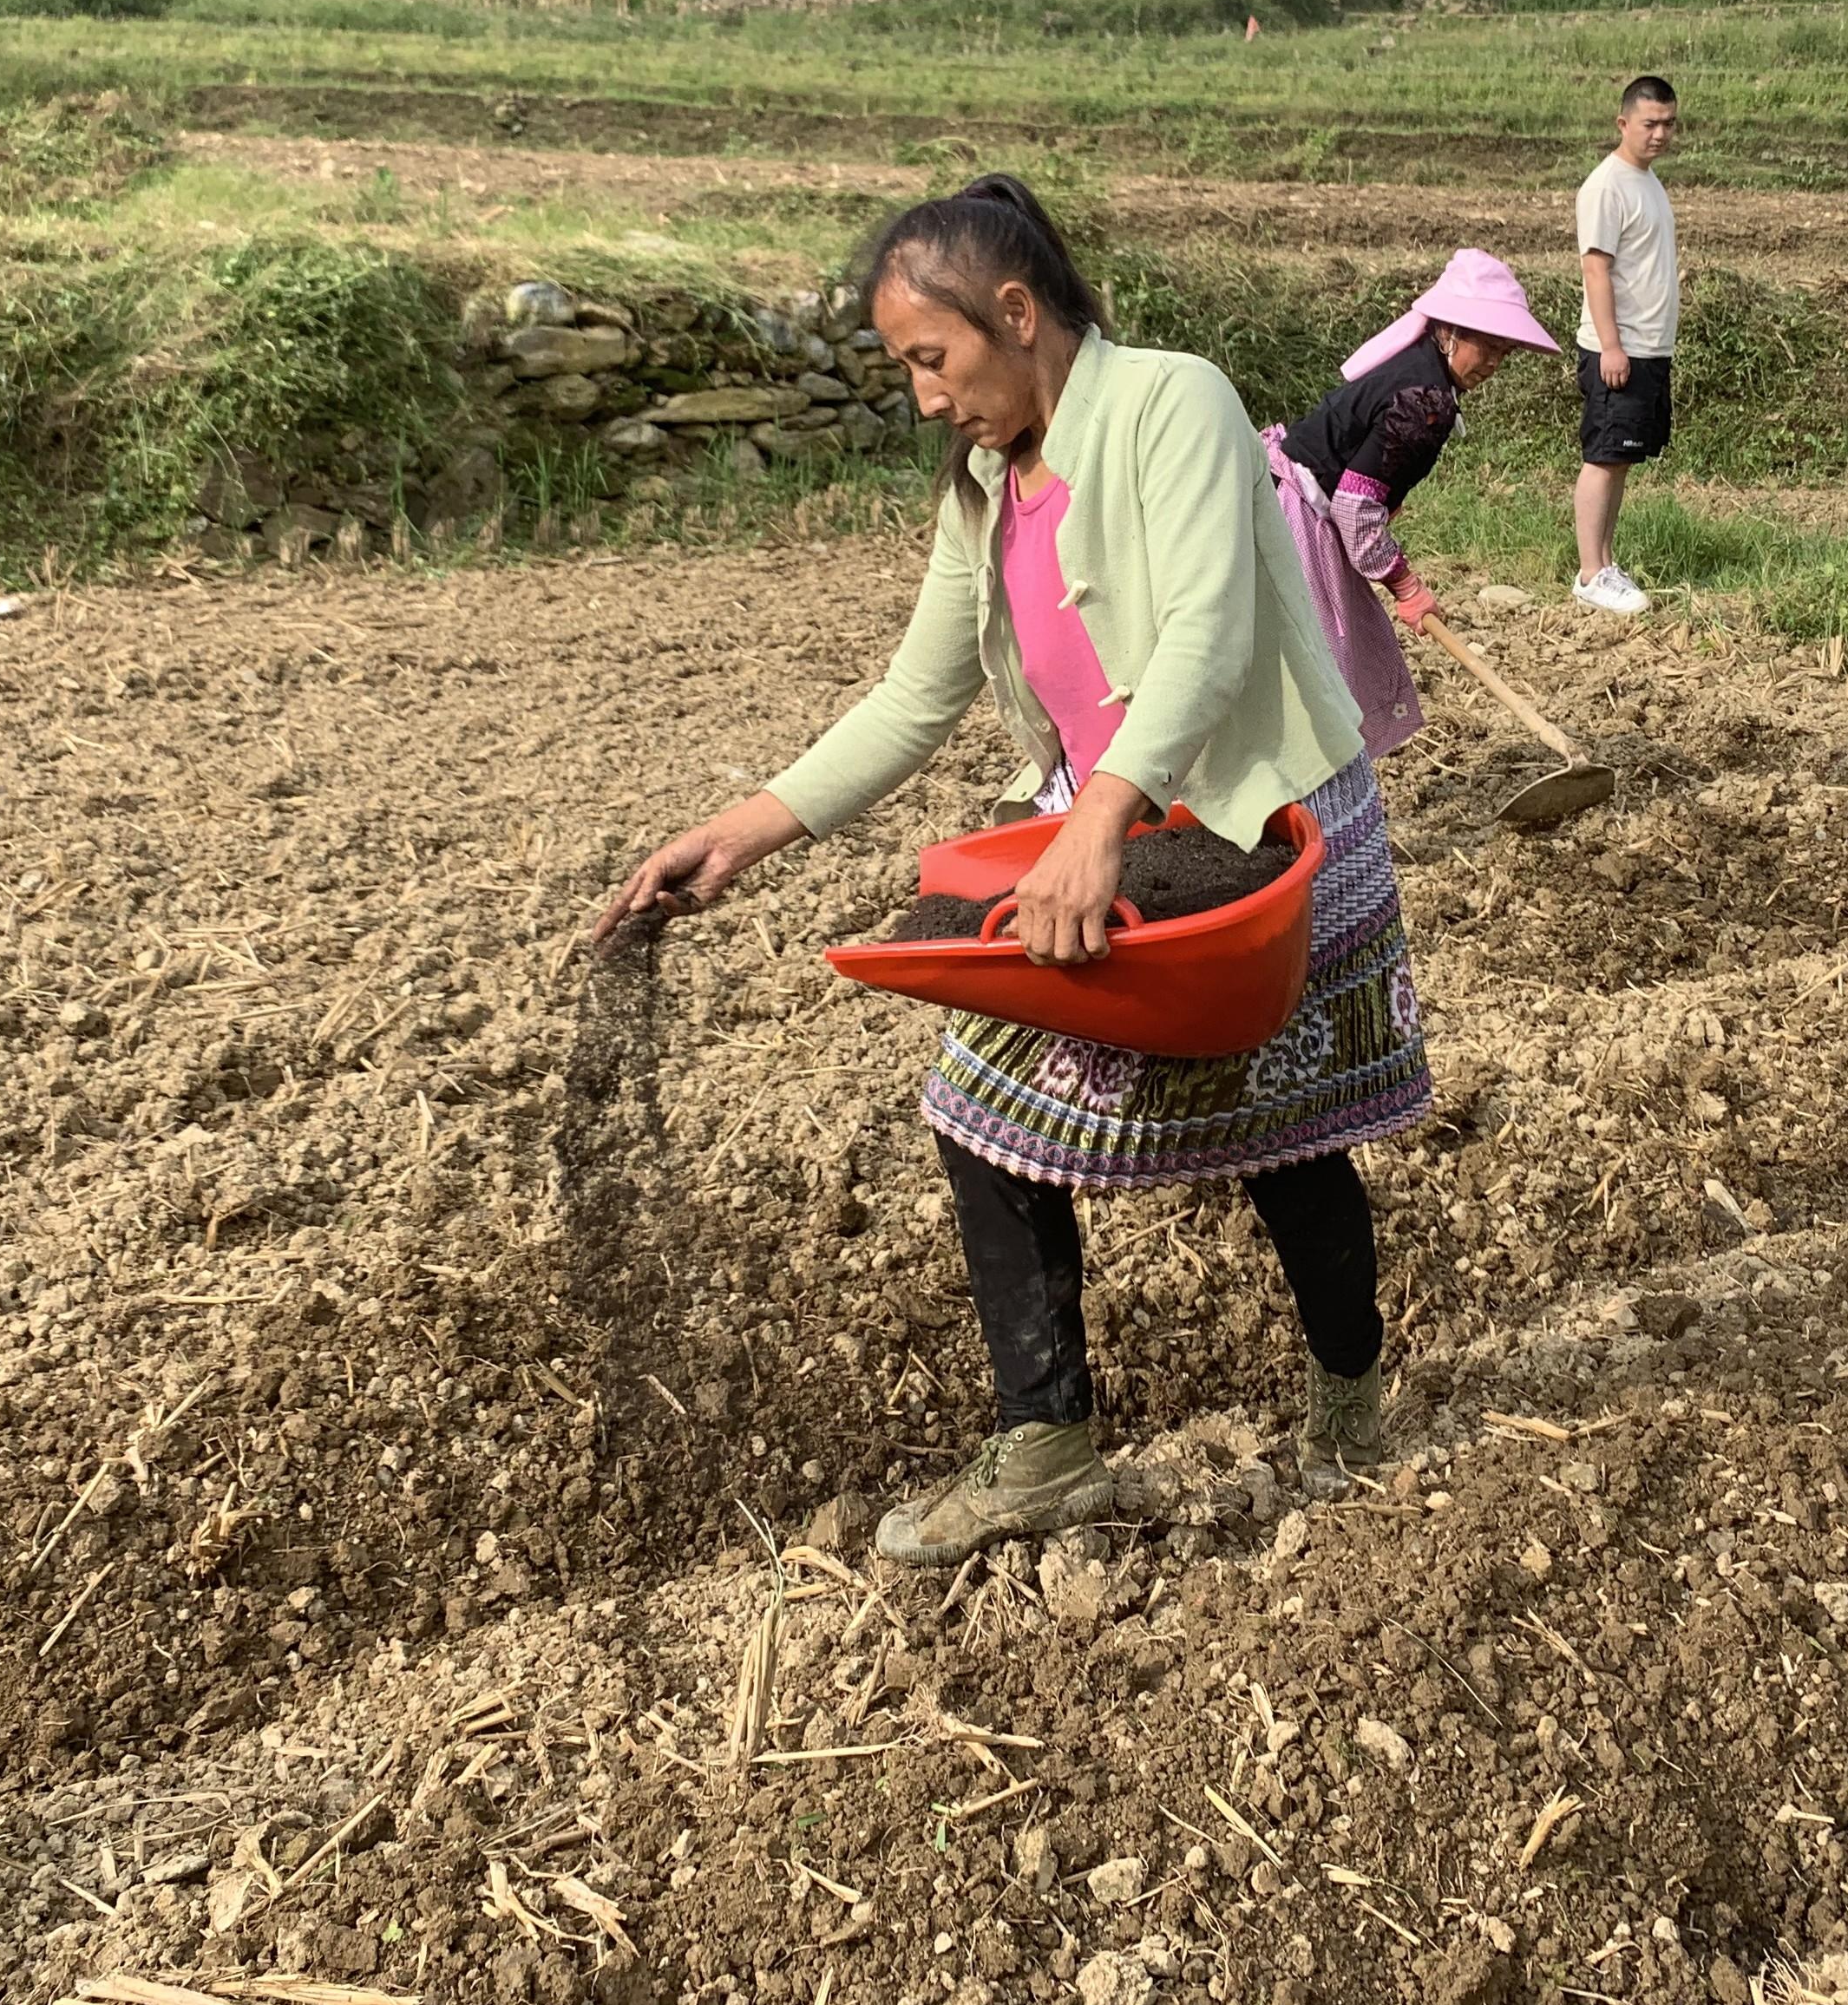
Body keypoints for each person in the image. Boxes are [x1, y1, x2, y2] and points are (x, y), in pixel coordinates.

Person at [591, 177, 1433, 1569]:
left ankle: (1351, 1409)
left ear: (1017, 314)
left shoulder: (1175, 402)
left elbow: (1213, 634)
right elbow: (916, 697)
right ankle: (1046, 1443)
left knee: (1291, 1135)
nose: (928, 400)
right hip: (1120, 829)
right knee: (979, 1100)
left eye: (934, 359)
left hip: (1263, 818)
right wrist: (741, 832)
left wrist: (1100, 817)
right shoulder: (988, 486)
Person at [1268, 249, 1559, 756]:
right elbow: (1356, 509)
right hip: (1294, 517)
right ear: (1448, 331)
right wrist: (1406, 585)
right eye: (1485, 346)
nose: (1491, 363)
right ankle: (1314, 814)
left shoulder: (1415, 367)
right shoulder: (1423, 401)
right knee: (1321, 678)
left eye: (1504, 351)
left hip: (1280, 495)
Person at [1571, 74, 1681, 616]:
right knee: (1604, 456)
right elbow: (1597, 269)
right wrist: (1612, 346)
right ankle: (1591, 572)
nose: (1660, 133)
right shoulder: (1607, 185)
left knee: (1622, 458)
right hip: (1620, 348)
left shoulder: (1648, 181)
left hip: (1649, 347)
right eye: (1650, 123)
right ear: (1623, 124)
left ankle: (1606, 563)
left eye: (1668, 123)